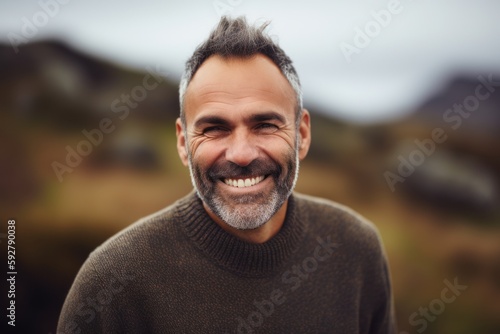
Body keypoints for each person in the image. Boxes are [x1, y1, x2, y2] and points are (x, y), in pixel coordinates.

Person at [58, 16, 396, 333]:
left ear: (302, 134)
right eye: (215, 128)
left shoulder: (355, 249)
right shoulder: (112, 282)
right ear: (182, 142)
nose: (241, 154)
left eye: (265, 125)